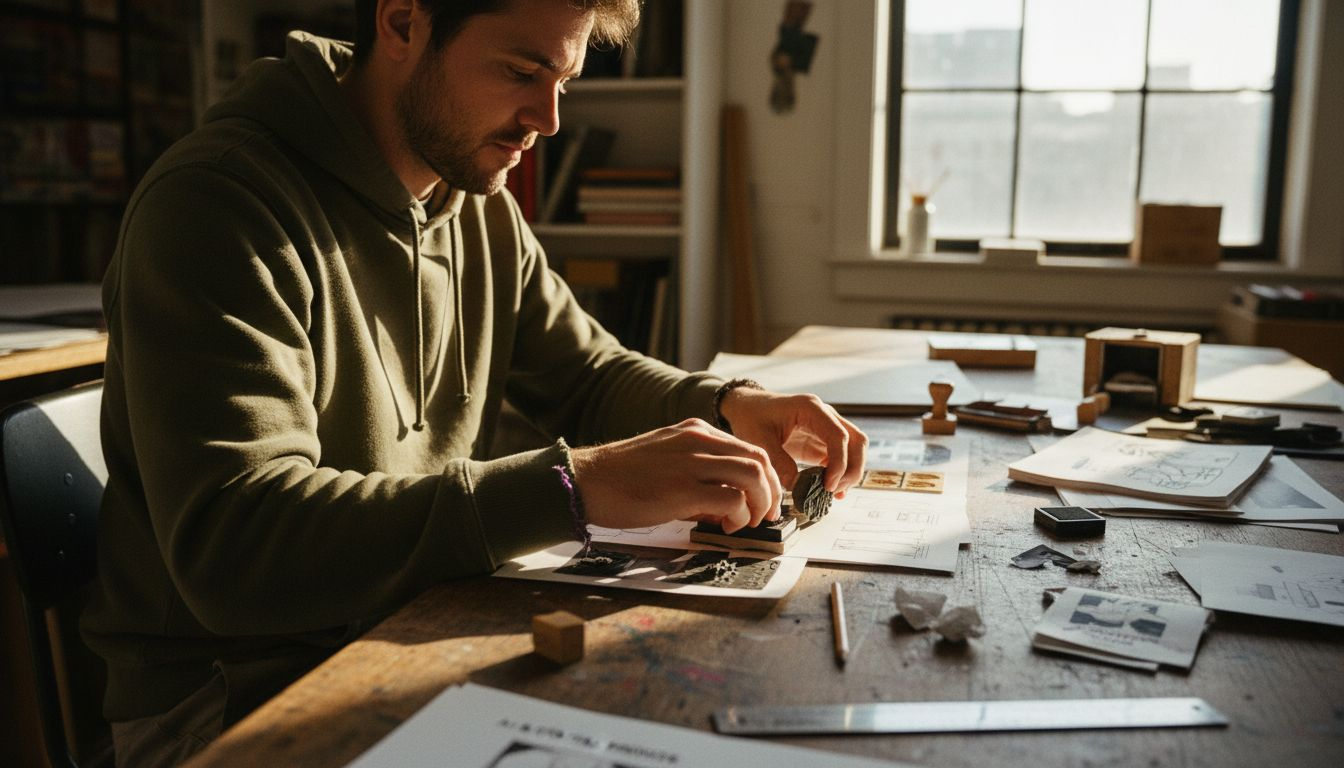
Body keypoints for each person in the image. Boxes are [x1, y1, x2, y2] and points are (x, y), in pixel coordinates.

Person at [82, 1, 868, 764]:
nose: (549, 119)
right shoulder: (216, 206)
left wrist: (728, 405)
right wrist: (573, 487)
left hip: (409, 625)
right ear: (402, 22)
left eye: (563, 81)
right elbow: (238, 547)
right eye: (523, 71)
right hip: (230, 701)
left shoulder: (469, 196)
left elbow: (586, 373)